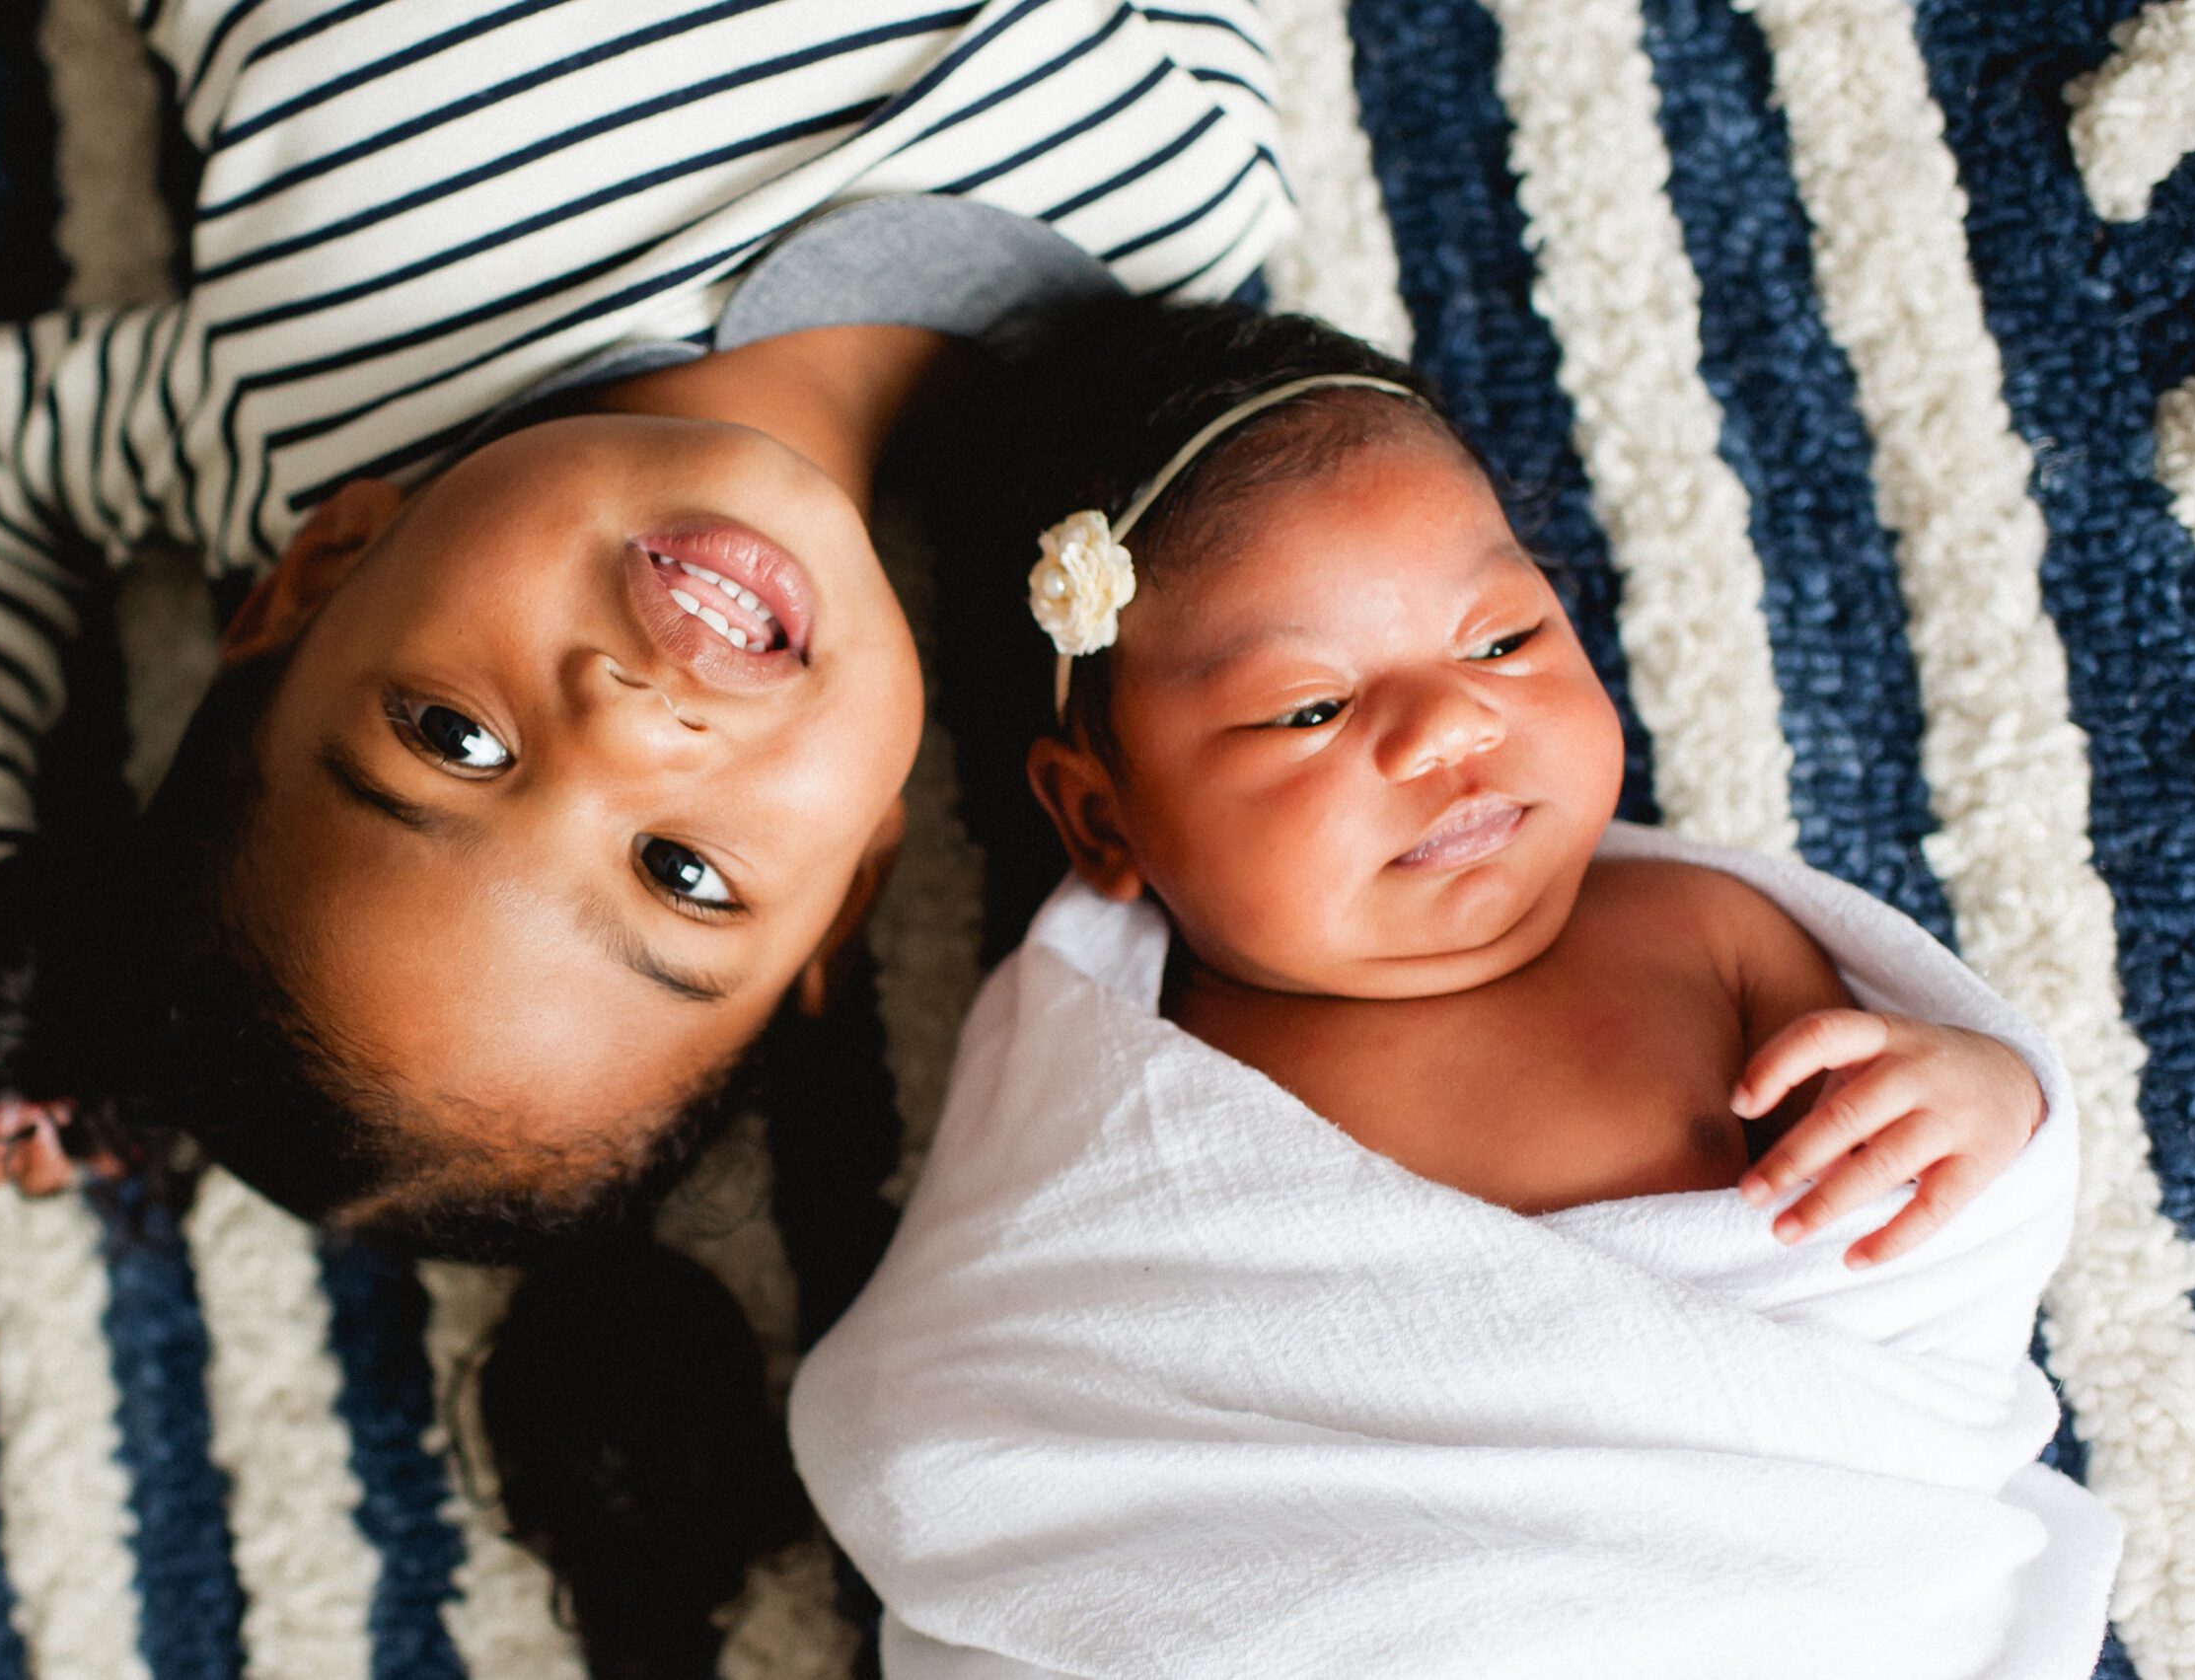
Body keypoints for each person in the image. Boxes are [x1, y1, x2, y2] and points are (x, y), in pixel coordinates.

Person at [0, 5, 1288, 1671]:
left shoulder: (325, 420)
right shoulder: (1171, 230)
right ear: (849, 897)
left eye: (453, 738)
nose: (622, 726)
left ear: (316, 577)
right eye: (682, 875)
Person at [790, 302, 2120, 1676]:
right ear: (1103, 820)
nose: (1451, 725)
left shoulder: (1701, 933)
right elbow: (974, 1410)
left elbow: (1926, 1237)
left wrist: (1984, 1098)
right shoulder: (1109, 1087)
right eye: (1308, 709)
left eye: (1504, 641)